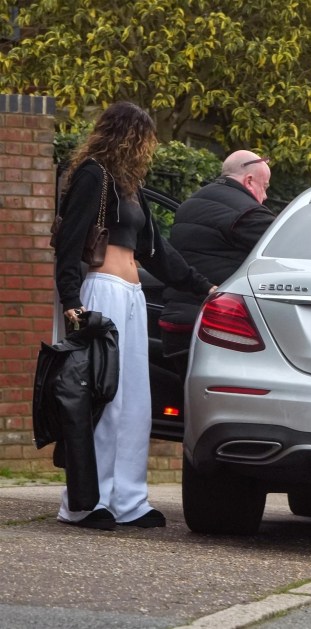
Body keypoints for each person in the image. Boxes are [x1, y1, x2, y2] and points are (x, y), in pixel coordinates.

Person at [54, 102, 215, 530]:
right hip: (101, 294)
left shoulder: (130, 187)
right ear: (130, 136)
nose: (149, 147)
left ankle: (128, 500)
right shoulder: (94, 176)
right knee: (103, 397)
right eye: (146, 137)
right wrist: (71, 301)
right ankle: (85, 502)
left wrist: (204, 287)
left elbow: (158, 253)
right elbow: (69, 243)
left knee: (135, 401)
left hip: (131, 296)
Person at [159, 150, 275, 377]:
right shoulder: (248, 213)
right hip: (215, 327)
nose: (266, 197)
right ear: (249, 180)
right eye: (266, 186)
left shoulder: (190, 204)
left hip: (174, 322)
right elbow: (285, 251)